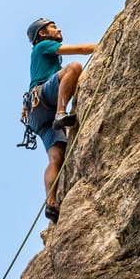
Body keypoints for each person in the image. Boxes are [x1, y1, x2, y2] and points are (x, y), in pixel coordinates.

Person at [25, 18, 97, 224]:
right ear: (42, 34)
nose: (58, 29)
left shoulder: (40, 54)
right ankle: (60, 113)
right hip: (42, 98)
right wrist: (104, 44)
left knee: (56, 159)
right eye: (53, 27)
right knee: (73, 67)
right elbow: (82, 49)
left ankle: (51, 202)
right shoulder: (43, 46)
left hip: (36, 116)